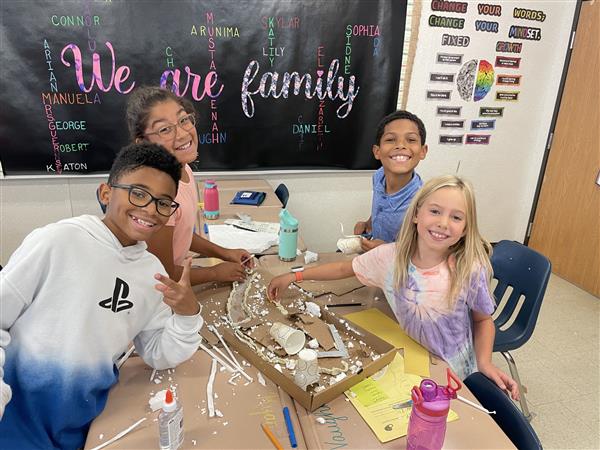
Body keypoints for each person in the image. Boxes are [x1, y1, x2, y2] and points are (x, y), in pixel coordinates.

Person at [0, 143, 203, 449]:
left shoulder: (151, 274)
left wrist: (188, 315)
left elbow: (158, 353)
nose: (150, 209)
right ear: (106, 193)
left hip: (80, 426)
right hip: (15, 418)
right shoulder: (57, 241)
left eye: (164, 202)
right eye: (138, 193)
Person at [269, 175, 519, 398]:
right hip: (416, 361)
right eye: (435, 211)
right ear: (416, 215)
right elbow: (345, 268)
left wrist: (485, 362)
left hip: (457, 375)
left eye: (456, 217)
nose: (443, 223)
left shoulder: (468, 268)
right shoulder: (390, 258)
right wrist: (294, 276)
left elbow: (483, 320)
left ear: (465, 229)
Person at [122, 85, 252, 285]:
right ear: (143, 142)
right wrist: (215, 273)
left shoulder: (183, 168)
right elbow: (163, 275)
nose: (182, 134)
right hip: (152, 296)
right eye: (165, 129)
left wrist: (224, 253)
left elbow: (181, 234)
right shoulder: (157, 198)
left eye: (183, 120)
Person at [354, 110, 428, 252]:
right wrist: (368, 224)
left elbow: (424, 249)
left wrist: (388, 250)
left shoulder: (423, 201)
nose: (400, 145)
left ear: (423, 151)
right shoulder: (379, 176)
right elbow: (381, 207)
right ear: (377, 152)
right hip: (374, 259)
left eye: (411, 140)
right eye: (390, 139)